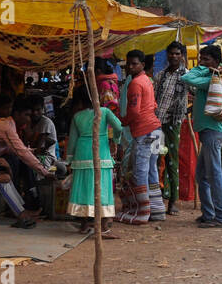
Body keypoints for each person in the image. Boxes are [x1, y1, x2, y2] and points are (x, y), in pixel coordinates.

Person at [181, 44, 222, 228]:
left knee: (214, 175)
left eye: (205, 60)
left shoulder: (211, 78)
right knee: (202, 175)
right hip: (209, 132)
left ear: (216, 62)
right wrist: (207, 67)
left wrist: (202, 68)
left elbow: (186, 77)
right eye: (200, 59)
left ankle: (221, 217)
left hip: (212, 132)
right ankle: (209, 214)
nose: (202, 63)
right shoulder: (212, 77)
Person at [66, 78, 121, 238]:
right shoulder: (104, 112)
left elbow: (72, 140)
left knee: (84, 187)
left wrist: (69, 160)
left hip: (82, 154)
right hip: (100, 152)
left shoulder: (77, 116)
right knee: (102, 187)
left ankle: (84, 224)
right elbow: (118, 127)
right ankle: (103, 227)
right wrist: (115, 141)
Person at [116, 49, 164, 224]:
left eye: (134, 63)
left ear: (142, 65)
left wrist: (122, 120)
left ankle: (142, 212)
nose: (130, 67)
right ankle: (157, 210)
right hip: (156, 130)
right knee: (151, 170)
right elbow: (154, 104)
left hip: (144, 131)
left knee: (139, 171)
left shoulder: (135, 83)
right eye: (128, 64)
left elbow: (134, 111)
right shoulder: (147, 80)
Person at [153, 41, 189, 215]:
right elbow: (154, 98)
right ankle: (155, 198)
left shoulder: (187, 76)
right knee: (155, 160)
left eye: (177, 53)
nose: (174, 56)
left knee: (172, 162)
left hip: (173, 124)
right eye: (171, 53)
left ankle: (172, 201)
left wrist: (184, 111)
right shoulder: (160, 75)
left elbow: (197, 94)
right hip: (156, 124)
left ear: (182, 56)